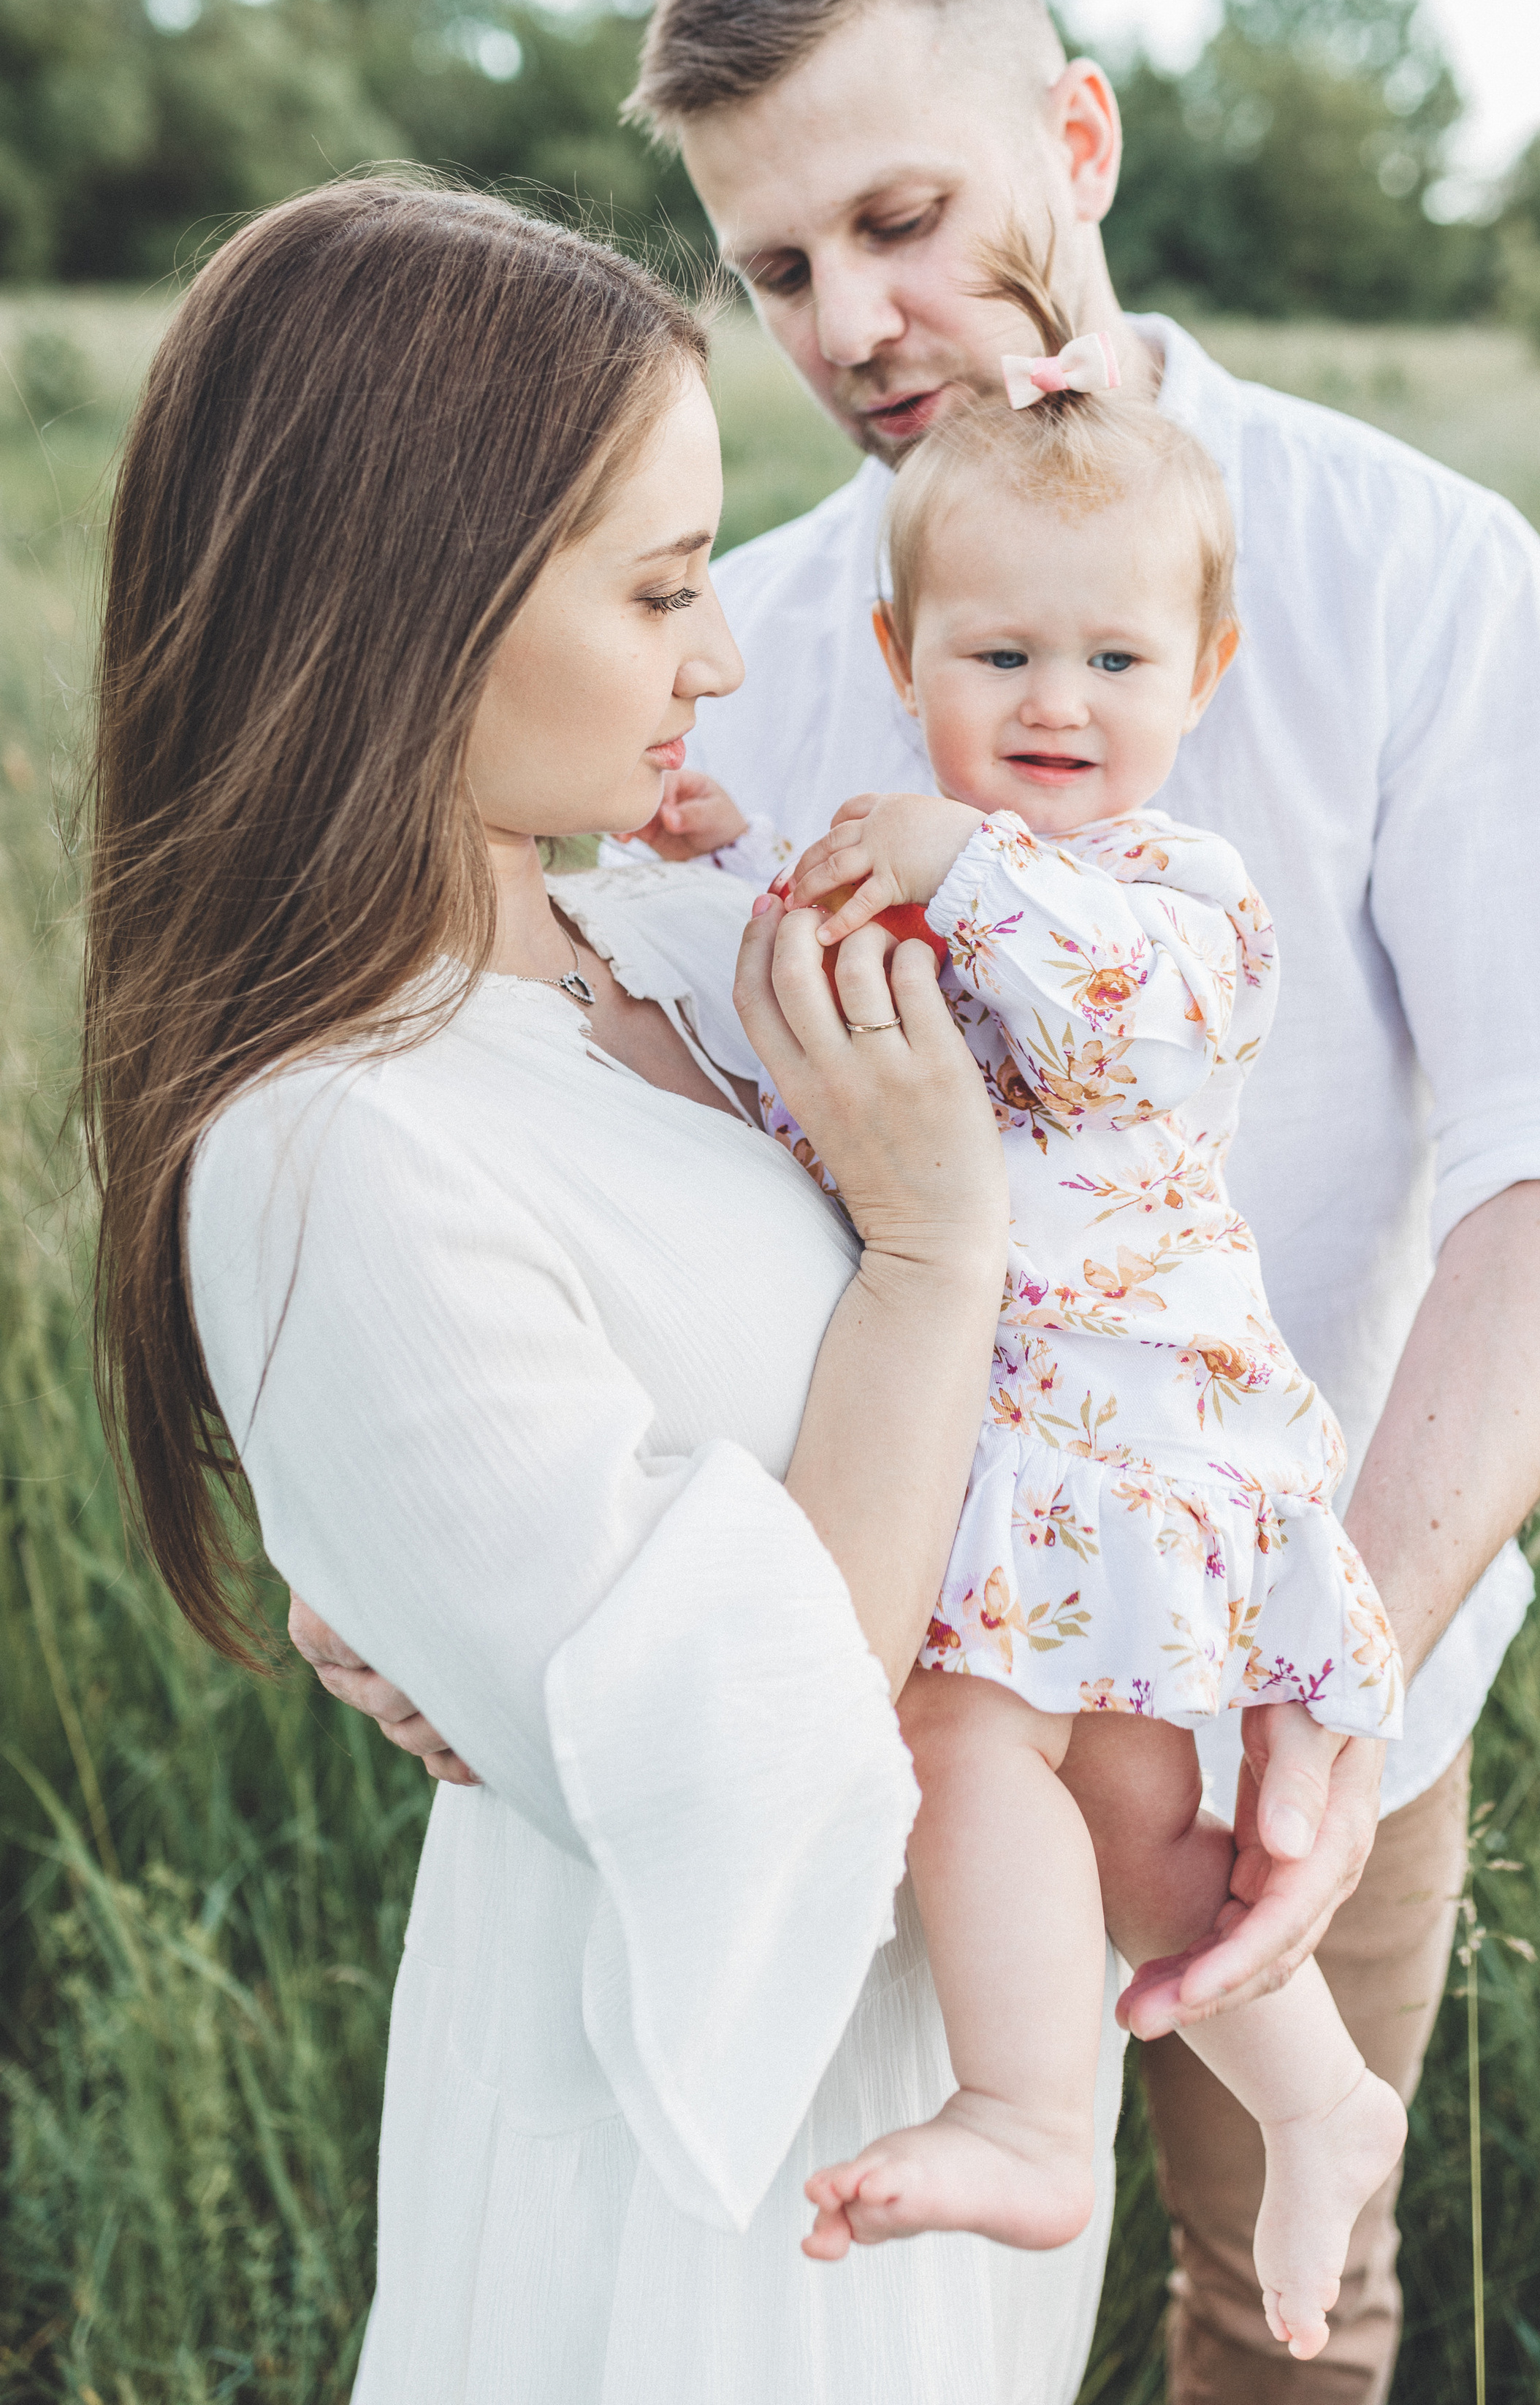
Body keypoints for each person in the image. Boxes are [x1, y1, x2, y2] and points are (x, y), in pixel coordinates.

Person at [622, 0, 1540, 2401]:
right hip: (879, 1661)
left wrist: (1346, 1667)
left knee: (1273, 2306)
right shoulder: (760, 634)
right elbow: (645, 1120)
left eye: (901, 221)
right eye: (777, 269)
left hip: (1299, 1652)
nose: (846, 325)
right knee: (844, 2322)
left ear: (1078, 139)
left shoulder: (1422, 577)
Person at [83, 175, 1127, 2405]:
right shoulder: (334, 1148)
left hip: (926, 2090)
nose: (722, 656)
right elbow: (755, 1762)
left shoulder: (669, 945)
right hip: (698, 2204)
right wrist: (931, 1251)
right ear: (407, 607)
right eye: (660, 590)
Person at [666, 238, 1411, 2358]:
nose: (1056, 704)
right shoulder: (919, 865)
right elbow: (794, 1048)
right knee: (1124, 1817)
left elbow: (1112, 1015)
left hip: (1126, 1425)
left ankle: (1032, 2112)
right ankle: (1319, 2097)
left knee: (970, 1736)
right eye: (998, 655)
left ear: (1207, 669)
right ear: (901, 655)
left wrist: (954, 862)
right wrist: (722, 869)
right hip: (999, 1440)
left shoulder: (1180, 899)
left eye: (1113, 659)